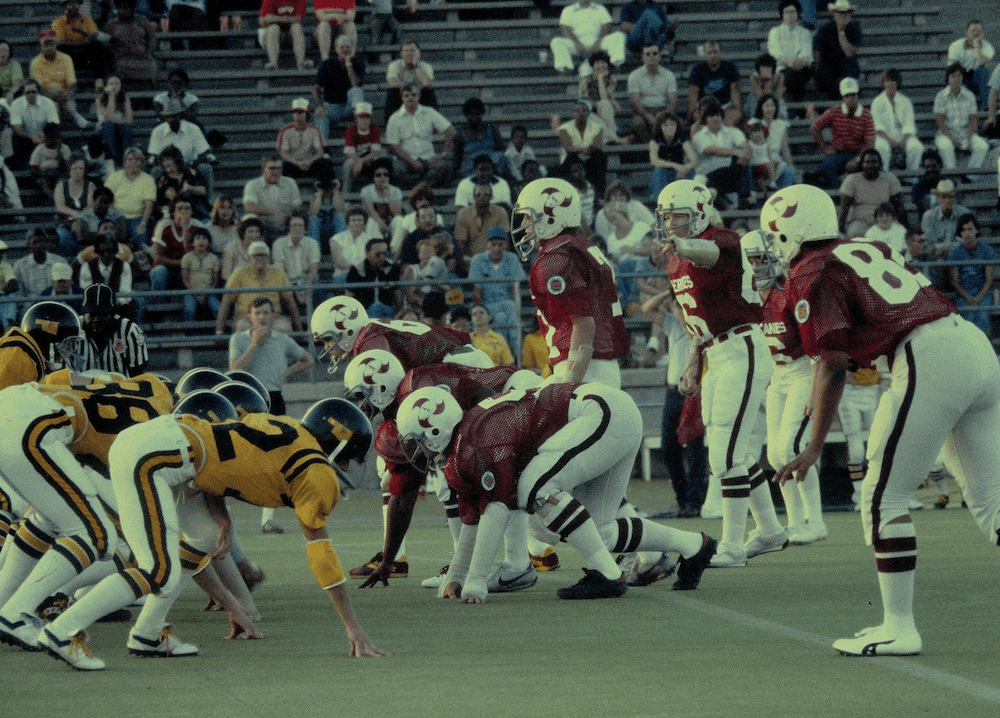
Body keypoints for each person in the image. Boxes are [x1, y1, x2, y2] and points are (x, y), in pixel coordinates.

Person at [765, 183, 1000, 657]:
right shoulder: (862, 246)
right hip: (970, 345)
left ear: (791, 230)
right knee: (992, 500)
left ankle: (898, 626)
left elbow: (830, 364)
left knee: (881, 496)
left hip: (927, 356)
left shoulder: (813, 270)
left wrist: (812, 447)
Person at [35, 397, 386, 669]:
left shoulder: (286, 427)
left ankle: (147, 634)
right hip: (160, 457)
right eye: (348, 457)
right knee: (156, 568)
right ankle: (62, 632)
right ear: (337, 444)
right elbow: (322, 557)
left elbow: (225, 456)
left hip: (170, 448)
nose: (344, 468)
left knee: (202, 538)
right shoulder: (315, 474)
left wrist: (222, 520)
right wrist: (353, 626)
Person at [397, 383, 716, 602]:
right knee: (598, 532)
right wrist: (457, 574)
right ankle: (693, 546)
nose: (417, 450)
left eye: (417, 441)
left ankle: (606, 574)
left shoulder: (478, 439)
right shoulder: (463, 446)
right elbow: (472, 522)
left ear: (436, 429)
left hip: (598, 412)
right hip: (609, 414)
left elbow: (498, 511)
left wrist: (476, 580)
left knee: (533, 487)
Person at [655, 179, 784, 566]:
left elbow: (711, 253)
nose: (672, 224)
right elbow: (696, 317)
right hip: (714, 351)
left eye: (678, 216)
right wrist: (693, 361)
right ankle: (772, 530)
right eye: (667, 217)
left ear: (699, 212)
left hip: (742, 346)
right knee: (734, 453)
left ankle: (731, 545)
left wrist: (683, 245)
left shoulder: (723, 239)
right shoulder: (675, 255)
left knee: (724, 456)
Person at [0, 373, 173, 652]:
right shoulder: (158, 437)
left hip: (16, 404)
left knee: (49, 519)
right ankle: (16, 615)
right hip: (34, 425)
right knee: (95, 535)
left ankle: (5, 607)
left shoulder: (148, 390)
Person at [741, 230, 827, 544]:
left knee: (789, 447)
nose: (753, 268)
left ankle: (816, 521)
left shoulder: (788, 295)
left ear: (773, 259)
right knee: (776, 455)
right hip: (775, 378)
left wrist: (816, 394)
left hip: (802, 371)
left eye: (758, 259)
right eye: (747, 261)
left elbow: (816, 348)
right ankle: (795, 521)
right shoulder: (748, 303)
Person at [513, 177, 629, 388]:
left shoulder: (555, 257)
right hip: (602, 366)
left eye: (527, 217)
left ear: (550, 216)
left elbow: (583, 324)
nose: (523, 226)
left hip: (582, 367)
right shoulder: (581, 245)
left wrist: (570, 383)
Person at [230, 296, 314, 415]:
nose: (262, 317)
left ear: (272, 316)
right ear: (250, 316)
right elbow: (236, 369)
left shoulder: (282, 339)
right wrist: (254, 343)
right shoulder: (238, 339)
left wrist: (287, 373)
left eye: (266, 313)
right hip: (248, 397)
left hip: (274, 396)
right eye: (257, 313)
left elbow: (308, 360)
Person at [216, 241, 302, 334]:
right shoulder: (239, 273)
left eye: (262, 255)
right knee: (243, 327)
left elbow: (290, 302)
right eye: (255, 256)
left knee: (284, 327)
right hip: (246, 317)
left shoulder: (278, 272)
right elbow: (226, 303)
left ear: (268, 258)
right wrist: (219, 331)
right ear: (249, 258)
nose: (259, 258)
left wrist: (299, 329)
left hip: (273, 317)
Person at [810, 77, 875, 189]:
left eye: (853, 95)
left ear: (858, 96)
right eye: (847, 96)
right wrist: (825, 148)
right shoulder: (834, 112)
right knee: (826, 166)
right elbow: (815, 128)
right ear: (843, 98)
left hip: (859, 153)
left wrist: (857, 159)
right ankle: (840, 192)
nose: (850, 99)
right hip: (839, 153)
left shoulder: (866, 115)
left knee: (873, 167)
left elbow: (869, 143)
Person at [384, 85, 454, 189]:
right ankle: (419, 189)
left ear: (419, 97)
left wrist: (443, 153)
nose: (410, 98)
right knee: (397, 169)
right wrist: (412, 161)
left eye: (413, 95)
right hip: (405, 160)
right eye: (406, 96)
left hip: (428, 158)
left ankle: (421, 187)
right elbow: (393, 146)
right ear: (402, 98)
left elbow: (450, 131)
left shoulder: (429, 112)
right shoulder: (395, 118)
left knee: (443, 166)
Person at [147, 98, 214, 203]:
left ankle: (209, 201)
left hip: (190, 165)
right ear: (164, 117)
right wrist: (167, 164)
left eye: (174, 115)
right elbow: (154, 155)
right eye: (168, 116)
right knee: (155, 171)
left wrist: (191, 166)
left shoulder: (193, 128)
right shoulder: (158, 131)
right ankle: (154, 203)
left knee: (205, 168)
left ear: (180, 115)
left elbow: (203, 152)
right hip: (168, 166)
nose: (171, 119)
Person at [78, 283, 147, 376]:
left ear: (112, 313)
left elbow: (138, 372)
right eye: (92, 314)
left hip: (120, 388)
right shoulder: (73, 329)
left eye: (102, 314)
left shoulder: (129, 330)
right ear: (84, 313)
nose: (96, 319)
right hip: (81, 389)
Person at [691, 102, 752, 208]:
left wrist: (745, 156)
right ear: (705, 119)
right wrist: (735, 152)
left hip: (730, 174)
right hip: (709, 176)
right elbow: (710, 150)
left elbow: (746, 147)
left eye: (718, 115)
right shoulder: (698, 136)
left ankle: (743, 199)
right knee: (737, 157)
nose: (715, 118)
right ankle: (732, 201)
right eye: (711, 116)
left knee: (743, 162)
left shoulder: (733, 132)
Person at [837, 148, 906, 238]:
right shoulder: (852, 180)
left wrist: (905, 227)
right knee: (855, 234)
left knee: (898, 234)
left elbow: (899, 205)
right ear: (862, 164)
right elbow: (844, 208)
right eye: (867, 162)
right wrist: (840, 230)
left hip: (884, 220)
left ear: (880, 164)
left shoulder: (890, 179)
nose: (871, 165)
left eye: (874, 162)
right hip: (860, 222)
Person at [867, 68, 925, 174]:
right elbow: (877, 127)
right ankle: (884, 174)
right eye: (887, 81)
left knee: (917, 147)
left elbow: (909, 124)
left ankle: (911, 176)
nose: (890, 84)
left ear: (897, 83)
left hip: (903, 136)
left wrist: (903, 140)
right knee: (881, 147)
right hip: (884, 136)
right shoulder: (877, 102)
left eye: (893, 81)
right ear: (883, 83)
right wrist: (890, 140)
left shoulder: (905, 101)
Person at [934, 62, 989, 171]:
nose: (956, 79)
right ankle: (952, 174)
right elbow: (940, 122)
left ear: (963, 78)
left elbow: (973, 120)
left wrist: (968, 138)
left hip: (965, 132)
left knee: (982, 146)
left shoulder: (969, 96)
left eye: (959, 75)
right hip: (947, 134)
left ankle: (969, 177)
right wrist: (952, 138)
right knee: (945, 146)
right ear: (948, 78)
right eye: (953, 76)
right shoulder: (941, 96)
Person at [30, 28, 89, 129]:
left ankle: (73, 117)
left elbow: (72, 83)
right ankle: (76, 117)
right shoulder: (35, 63)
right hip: (45, 96)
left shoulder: (66, 58)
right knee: (54, 105)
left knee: (63, 99)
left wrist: (66, 94)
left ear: (56, 44)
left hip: (65, 95)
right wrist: (54, 94)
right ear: (41, 46)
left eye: (51, 44)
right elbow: (38, 88)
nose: (49, 48)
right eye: (46, 45)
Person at [312, 34, 366, 143]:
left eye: (347, 47)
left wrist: (349, 65)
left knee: (356, 91)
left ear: (352, 48)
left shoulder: (358, 63)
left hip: (350, 107)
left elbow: (356, 84)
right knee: (320, 114)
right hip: (333, 106)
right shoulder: (327, 64)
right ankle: (323, 148)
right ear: (336, 49)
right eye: (341, 47)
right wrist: (320, 105)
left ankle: (362, 133)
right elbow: (315, 88)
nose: (345, 50)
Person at [948, 213, 995, 336]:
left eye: (970, 229)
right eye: (963, 230)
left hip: (983, 293)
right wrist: (968, 297)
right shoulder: (954, 253)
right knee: (967, 317)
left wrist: (978, 297)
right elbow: (954, 281)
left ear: (976, 230)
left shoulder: (987, 250)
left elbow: (989, 279)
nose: (967, 233)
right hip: (964, 294)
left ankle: (986, 350)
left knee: (982, 316)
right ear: (960, 233)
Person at [550, 0, 625, 77]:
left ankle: (616, 64)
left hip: (598, 42)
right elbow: (565, 29)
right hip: (576, 44)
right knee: (556, 41)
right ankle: (566, 69)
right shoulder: (568, 10)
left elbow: (606, 27)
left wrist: (598, 41)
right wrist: (577, 43)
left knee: (619, 36)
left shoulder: (600, 8)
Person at [150, 193, 202, 297]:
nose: (183, 212)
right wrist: (180, 263)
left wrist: (184, 229)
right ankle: (157, 305)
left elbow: (195, 256)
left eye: (187, 209)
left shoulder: (198, 226)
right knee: (159, 271)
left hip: (186, 270)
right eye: (180, 209)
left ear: (192, 212)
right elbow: (157, 257)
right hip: (166, 268)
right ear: (173, 212)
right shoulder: (163, 225)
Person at [52, 0, 112, 86]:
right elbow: (60, 41)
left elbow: (94, 36)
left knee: (98, 46)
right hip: (70, 54)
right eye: (70, 4)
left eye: (75, 3)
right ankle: (65, 83)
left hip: (85, 53)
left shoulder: (86, 20)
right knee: (60, 48)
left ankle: (99, 83)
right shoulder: (59, 22)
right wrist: (81, 41)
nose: (73, 6)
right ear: (65, 6)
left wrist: (83, 32)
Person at [628, 44, 678, 145]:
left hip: (663, 109)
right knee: (637, 123)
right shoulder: (634, 76)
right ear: (642, 57)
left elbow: (673, 101)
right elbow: (635, 103)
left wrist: (664, 116)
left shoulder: (669, 75)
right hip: (643, 111)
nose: (651, 57)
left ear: (660, 56)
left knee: (676, 123)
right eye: (647, 54)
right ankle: (651, 147)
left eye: (655, 54)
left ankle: (665, 147)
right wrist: (648, 116)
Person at [105, 0, 158, 96]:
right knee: (119, 68)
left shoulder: (142, 20)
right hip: (122, 58)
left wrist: (149, 53)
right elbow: (108, 42)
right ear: (117, 8)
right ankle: (122, 99)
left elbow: (151, 38)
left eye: (126, 7)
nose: (124, 10)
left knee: (150, 67)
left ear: (132, 8)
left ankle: (146, 100)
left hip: (142, 58)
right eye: (121, 8)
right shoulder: (112, 24)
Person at [242, 153, 303, 237]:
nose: (276, 172)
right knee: (250, 218)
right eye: (272, 168)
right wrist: (273, 212)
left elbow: (296, 207)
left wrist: (287, 216)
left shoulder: (290, 182)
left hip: (285, 223)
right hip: (263, 225)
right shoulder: (253, 184)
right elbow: (248, 207)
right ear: (263, 169)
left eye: (279, 168)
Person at [454, 182, 509, 275]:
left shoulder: (500, 212)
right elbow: (460, 244)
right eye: (478, 195)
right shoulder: (463, 214)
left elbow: (505, 240)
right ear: (474, 197)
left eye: (486, 195)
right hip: (471, 261)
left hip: (495, 259)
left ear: (491, 197)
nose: (482, 197)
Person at [105, 145, 155, 245]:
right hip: (116, 217)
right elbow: (107, 200)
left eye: (137, 160)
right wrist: (115, 219)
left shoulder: (148, 180)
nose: (133, 162)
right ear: (124, 162)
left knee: (141, 237)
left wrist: (143, 224)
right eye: (130, 159)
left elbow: (149, 205)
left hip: (137, 218)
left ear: (142, 163)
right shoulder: (114, 177)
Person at [557, 98, 607, 199]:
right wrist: (583, 150)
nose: (580, 113)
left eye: (584, 110)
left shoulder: (597, 127)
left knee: (599, 156)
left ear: (589, 113)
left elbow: (598, 145)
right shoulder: (564, 128)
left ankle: (599, 192)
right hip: (572, 159)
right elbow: (568, 148)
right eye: (577, 111)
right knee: (571, 158)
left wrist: (590, 149)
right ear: (573, 114)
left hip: (589, 158)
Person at [272, 210, 321, 311]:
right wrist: (295, 290)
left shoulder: (312, 243)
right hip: (288, 283)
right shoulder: (279, 244)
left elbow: (314, 270)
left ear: (305, 228)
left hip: (308, 282)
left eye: (300, 226)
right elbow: (280, 271)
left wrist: (306, 288)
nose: (297, 228)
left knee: (320, 292)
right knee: (284, 295)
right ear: (289, 228)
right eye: (294, 225)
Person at [813, 0, 862, 100]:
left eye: (846, 13)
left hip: (845, 67)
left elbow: (849, 53)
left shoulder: (854, 29)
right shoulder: (825, 29)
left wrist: (841, 32)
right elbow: (817, 52)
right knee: (823, 71)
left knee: (851, 63)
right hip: (828, 67)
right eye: (840, 13)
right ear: (834, 14)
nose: (843, 16)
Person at [7, 79, 60, 169]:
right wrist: (31, 136)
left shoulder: (48, 103)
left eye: (33, 92)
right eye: (28, 92)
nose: (31, 94)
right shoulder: (16, 104)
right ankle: (19, 167)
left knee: (55, 136)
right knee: (14, 137)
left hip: (44, 137)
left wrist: (44, 136)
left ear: (38, 92)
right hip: (25, 138)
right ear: (23, 93)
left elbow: (54, 124)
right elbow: (17, 128)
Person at [767, 0, 812, 105]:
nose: (790, 15)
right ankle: (800, 108)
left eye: (793, 12)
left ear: (798, 13)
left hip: (801, 67)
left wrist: (798, 63)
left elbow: (806, 54)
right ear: (782, 15)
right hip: (781, 69)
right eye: (787, 12)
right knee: (792, 76)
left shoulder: (805, 33)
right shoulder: (775, 32)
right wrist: (789, 62)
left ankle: (798, 110)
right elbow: (775, 54)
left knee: (798, 74)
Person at [345, 238, 402, 319]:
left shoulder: (391, 268)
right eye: (378, 254)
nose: (382, 257)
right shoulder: (357, 269)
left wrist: (400, 314)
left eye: (384, 253)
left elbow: (397, 294)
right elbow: (349, 296)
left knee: (378, 307)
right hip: (364, 313)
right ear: (367, 253)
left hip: (388, 311)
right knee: (376, 307)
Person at [686, 41, 742, 123]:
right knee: (697, 116)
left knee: (735, 114)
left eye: (715, 52)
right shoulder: (697, 69)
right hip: (704, 107)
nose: (713, 56)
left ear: (721, 53)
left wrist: (738, 109)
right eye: (709, 53)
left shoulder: (730, 67)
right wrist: (690, 114)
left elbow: (735, 91)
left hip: (724, 106)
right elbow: (693, 93)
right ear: (705, 54)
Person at [647, 112, 697, 201]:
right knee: (658, 170)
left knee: (692, 172)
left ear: (677, 126)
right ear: (660, 127)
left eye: (672, 125)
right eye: (665, 125)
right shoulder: (655, 142)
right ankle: (658, 200)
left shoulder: (682, 140)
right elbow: (654, 161)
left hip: (679, 173)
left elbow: (694, 160)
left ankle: (693, 199)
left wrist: (685, 167)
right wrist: (674, 165)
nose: (669, 128)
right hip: (664, 174)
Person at [78, 235, 134, 314]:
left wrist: (113, 304)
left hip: (118, 306)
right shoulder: (87, 266)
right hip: (94, 307)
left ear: (115, 251)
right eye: (102, 251)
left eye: (110, 251)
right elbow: (86, 290)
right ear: (97, 251)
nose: (106, 254)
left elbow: (125, 291)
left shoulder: (124, 265)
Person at [277, 98, 331, 180]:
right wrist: (297, 162)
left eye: (301, 112)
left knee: (325, 163)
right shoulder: (285, 130)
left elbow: (320, 151)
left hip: (310, 163)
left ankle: (322, 190)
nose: (298, 115)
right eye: (295, 112)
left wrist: (310, 161)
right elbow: (284, 153)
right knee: (282, 166)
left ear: (307, 114)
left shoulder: (314, 130)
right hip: (293, 163)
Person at [53, 153, 96, 256]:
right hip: (66, 222)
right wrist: (73, 213)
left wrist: (79, 217)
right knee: (62, 236)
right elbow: (60, 207)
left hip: (86, 222)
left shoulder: (90, 186)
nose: (78, 171)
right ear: (69, 169)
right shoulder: (61, 186)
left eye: (81, 168)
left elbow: (90, 206)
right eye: (75, 168)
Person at [947, 20, 993, 110]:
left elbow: (981, 62)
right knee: (954, 74)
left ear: (982, 34)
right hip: (961, 78)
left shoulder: (987, 47)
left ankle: (988, 107)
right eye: (973, 31)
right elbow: (952, 69)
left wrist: (976, 46)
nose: (976, 33)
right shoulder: (955, 46)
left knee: (983, 70)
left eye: (978, 31)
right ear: (966, 32)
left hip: (977, 80)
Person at [384, 40, 436, 120]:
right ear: (401, 54)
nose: (409, 54)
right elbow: (391, 83)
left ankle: (432, 122)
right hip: (402, 95)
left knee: (429, 91)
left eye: (412, 50)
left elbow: (425, 84)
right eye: (406, 51)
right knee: (392, 92)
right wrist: (410, 87)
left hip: (419, 95)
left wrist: (415, 66)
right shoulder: (394, 65)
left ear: (418, 53)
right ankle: (390, 122)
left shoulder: (425, 66)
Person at [154, 145, 209, 221]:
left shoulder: (191, 173)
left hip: (195, 212)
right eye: (163, 161)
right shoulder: (161, 180)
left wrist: (190, 188)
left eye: (169, 159)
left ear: (177, 160)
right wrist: (164, 207)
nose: (166, 163)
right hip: (172, 216)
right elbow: (157, 203)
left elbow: (204, 191)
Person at [920, 179, 971, 259]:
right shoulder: (928, 216)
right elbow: (927, 242)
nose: (947, 201)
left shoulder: (964, 213)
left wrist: (949, 249)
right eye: (943, 197)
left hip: (960, 257)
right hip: (936, 258)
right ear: (938, 198)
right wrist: (941, 249)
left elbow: (967, 239)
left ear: (955, 198)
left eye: (950, 197)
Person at [15, 228, 70, 300]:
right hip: (31, 306)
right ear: (29, 245)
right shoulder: (20, 266)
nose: (38, 245)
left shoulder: (60, 261)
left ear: (46, 243)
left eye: (41, 241)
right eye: (35, 242)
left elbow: (66, 286)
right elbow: (19, 294)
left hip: (55, 304)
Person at [181, 226, 221, 321]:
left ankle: (218, 332)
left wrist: (207, 294)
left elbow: (215, 279)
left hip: (209, 292)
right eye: (198, 238)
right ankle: (189, 334)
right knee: (189, 310)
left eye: (204, 238)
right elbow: (185, 279)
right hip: (191, 292)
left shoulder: (213, 258)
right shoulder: (187, 257)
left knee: (218, 308)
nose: (201, 241)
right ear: (192, 243)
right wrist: (196, 295)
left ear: (209, 243)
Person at [258, 0, 311, 71]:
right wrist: (286, 19)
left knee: (297, 27)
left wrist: (275, 19)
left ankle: (301, 63)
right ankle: (273, 64)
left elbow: (299, 19)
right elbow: (262, 21)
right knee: (274, 28)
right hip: (271, 36)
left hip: (290, 36)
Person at [342, 102, 383, 190]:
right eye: (361, 118)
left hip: (369, 160)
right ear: (356, 118)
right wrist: (359, 161)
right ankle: (346, 193)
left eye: (367, 118)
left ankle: (379, 191)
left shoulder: (374, 128)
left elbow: (375, 151)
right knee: (348, 164)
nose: (365, 121)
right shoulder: (351, 130)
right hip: (356, 159)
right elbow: (349, 153)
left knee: (381, 158)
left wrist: (362, 161)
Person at [330, 206, 377, 284]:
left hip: (364, 276)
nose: (357, 223)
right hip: (343, 276)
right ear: (348, 223)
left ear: (364, 222)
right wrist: (355, 271)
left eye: (359, 220)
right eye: (353, 220)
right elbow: (338, 262)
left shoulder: (370, 240)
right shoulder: (337, 239)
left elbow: (372, 261)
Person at [94, 75, 134, 166]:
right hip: (105, 130)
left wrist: (116, 121)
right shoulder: (100, 100)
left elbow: (130, 120)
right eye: (111, 84)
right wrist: (111, 96)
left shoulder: (125, 99)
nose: (114, 86)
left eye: (117, 83)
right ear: (106, 86)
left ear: (121, 85)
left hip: (120, 128)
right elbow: (108, 117)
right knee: (108, 125)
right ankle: (112, 158)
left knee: (125, 126)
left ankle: (127, 157)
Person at [360, 158, 403, 238]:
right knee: (372, 221)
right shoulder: (367, 190)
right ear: (373, 177)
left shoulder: (396, 191)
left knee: (399, 220)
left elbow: (397, 213)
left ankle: (395, 249)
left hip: (391, 222)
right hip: (375, 221)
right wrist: (380, 223)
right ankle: (377, 247)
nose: (382, 177)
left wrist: (388, 195)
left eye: (385, 175)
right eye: (378, 175)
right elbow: (370, 210)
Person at [222, 214, 266, 282]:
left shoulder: (263, 248)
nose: (254, 235)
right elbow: (226, 274)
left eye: (257, 231)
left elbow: (265, 272)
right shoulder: (231, 247)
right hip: (236, 287)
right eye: (250, 231)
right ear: (243, 233)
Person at [0, 39, 24, 104]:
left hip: (12, 95)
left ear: (9, 53)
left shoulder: (14, 65)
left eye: (6, 50)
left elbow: (17, 82)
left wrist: (11, 92)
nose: (3, 54)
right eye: (1, 50)